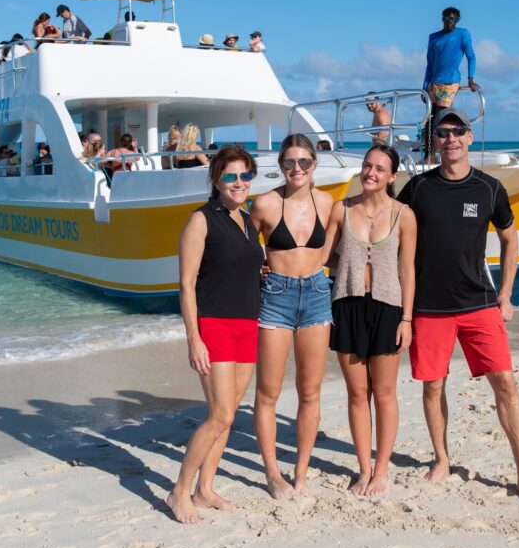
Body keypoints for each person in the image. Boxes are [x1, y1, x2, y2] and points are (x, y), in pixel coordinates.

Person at [396, 108, 519, 506]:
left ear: (469, 137)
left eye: (457, 131)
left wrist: (506, 295)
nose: (450, 138)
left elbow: (511, 240)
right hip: (429, 308)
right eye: (442, 132)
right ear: (435, 141)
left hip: (479, 304)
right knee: (433, 386)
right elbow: (387, 228)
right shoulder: (417, 188)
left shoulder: (489, 189)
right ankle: (443, 459)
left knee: (505, 385)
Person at [166, 145, 264, 524]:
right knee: (220, 414)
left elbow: (241, 266)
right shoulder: (201, 220)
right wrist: (194, 338)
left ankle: (205, 489)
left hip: (247, 323)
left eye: (245, 175)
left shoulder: (247, 220)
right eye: (230, 176)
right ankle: (180, 490)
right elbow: (186, 284)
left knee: (228, 414)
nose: (239, 183)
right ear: (216, 179)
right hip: (215, 326)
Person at [323, 144, 416, 496]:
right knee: (357, 393)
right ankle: (364, 469)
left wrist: (407, 318)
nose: (371, 172)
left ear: (392, 176)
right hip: (346, 305)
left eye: (379, 168)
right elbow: (322, 255)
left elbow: (407, 269)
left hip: (389, 307)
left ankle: (382, 470)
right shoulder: (341, 209)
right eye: (366, 166)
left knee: (385, 392)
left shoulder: (403, 215)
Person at [250, 134, 335, 499]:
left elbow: (336, 250)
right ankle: (272, 473)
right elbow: (243, 249)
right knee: (268, 392)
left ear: (314, 164)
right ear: (280, 166)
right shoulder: (265, 204)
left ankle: (301, 470)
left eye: (303, 162)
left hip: (317, 295)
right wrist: (257, 270)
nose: (296, 169)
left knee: (310, 391)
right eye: (289, 163)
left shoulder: (328, 202)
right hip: (277, 298)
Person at [422, 7, 478, 163]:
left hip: (450, 82)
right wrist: (424, 86)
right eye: (447, 19)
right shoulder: (433, 37)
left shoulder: (462, 34)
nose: (450, 22)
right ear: (442, 19)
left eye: (454, 19)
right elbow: (430, 64)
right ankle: (429, 155)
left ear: (458, 20)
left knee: (440, 117)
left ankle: (437, 154)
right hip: (434, 82)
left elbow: (471, 56)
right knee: (429, 118)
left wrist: (470, 79)